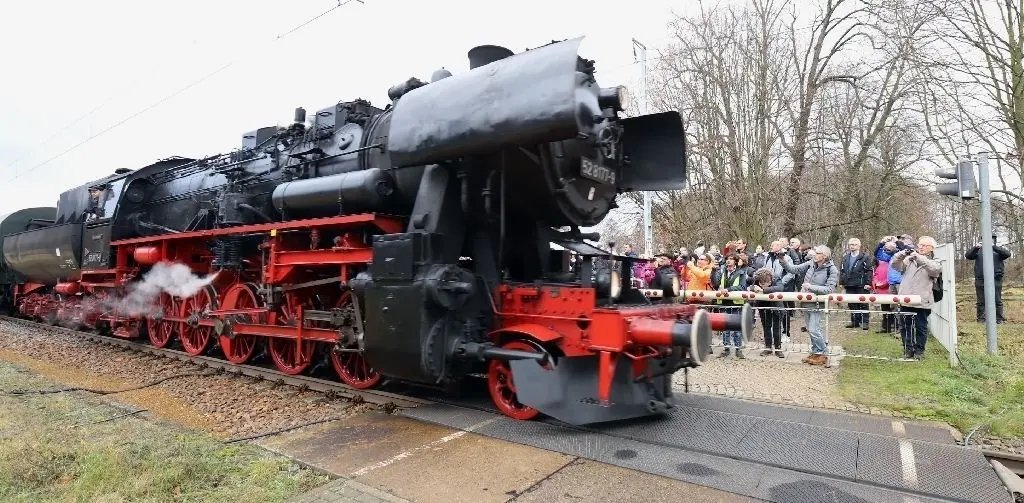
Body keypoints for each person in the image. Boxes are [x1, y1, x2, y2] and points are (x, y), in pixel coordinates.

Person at [781, 245, 839, 366]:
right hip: (806, 302)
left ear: (825, 256)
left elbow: (829, 289)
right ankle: (815, 352)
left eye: (817, 253)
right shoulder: (811, 263)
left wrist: (810, 287)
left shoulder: (832, 270)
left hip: (818, 304)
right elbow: (794, 269)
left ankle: (823, 352)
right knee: (810, 329)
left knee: (814, 329)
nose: (814, 254)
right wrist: (783, 260)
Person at [890, 236, 941, 360]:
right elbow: (895, 266)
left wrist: (918, 257)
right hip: (906, 299)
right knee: (905, 327)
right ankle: (908, 350)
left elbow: (934, 270)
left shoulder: (936, 260)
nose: (921, 247)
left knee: (921, 327)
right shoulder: (909, 260)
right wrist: (902, 254)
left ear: (931, 248)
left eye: (924, 245)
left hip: (922, 300)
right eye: (920, 245)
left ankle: (919, 351)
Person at [964, 234, 1012, 324]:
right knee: (981, 301)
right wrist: (976, 247)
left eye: (991, 239)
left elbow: (1007, 254)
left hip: (996, 278)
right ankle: (981, 319)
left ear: (994, 240)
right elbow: (968, 255)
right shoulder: (978, 250)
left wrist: (993, 246)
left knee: (997, 300)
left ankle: (999, 319)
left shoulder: (998, 250)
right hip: (981, 278)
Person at [713, 254, 748, 358]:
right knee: (725, 327)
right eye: (727, 259)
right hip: (724, 302)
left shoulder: (741, 273)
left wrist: (729, 289)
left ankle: (738, 349)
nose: (728, 261)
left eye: (731, 259)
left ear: (735, 261)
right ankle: (726, 348)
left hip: (736, 303)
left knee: (737, 327)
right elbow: (715, 284)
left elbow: (742, 287)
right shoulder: (722, 271)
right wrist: (714, 271)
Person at [750, 268, 788, 358]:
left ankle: (778, 348)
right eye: (761, 284)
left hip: (776, 306)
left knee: (777, 328)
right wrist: (753, 288)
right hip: (763, 306)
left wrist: (764, 290)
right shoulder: (757, 278)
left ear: (771, 280)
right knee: (766, 327)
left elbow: (780, 288)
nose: (763, 286)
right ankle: (768, 347)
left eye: (766, 284)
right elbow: (750, 286)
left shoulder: (776, 278)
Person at [839, 238, 873, 330]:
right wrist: (841, 281)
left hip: (861, 284)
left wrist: (868, 283)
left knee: (863, 303)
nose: (852, 246)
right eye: (850, 244)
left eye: (854, 244)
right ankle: (855, 321)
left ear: (859, 246)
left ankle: (865, 322)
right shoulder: (845, 257)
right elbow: (842, 270)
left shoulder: (865, 257)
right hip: (849, 284)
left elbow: (869, 270)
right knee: (852, 303)